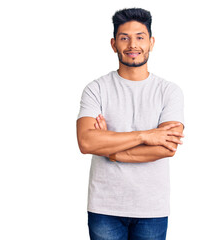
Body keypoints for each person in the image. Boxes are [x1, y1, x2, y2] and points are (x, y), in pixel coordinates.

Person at [76, 7, 185, 240]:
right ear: (114, 44)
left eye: (140, 37)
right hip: (104, 206)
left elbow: (167, 147)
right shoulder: (96, 89)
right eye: (124, 38)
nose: (132, 45)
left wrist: (111, 150)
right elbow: (86, 142)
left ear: (151, 42)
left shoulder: (169, 92)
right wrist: (145, 136)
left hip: (152, 208)